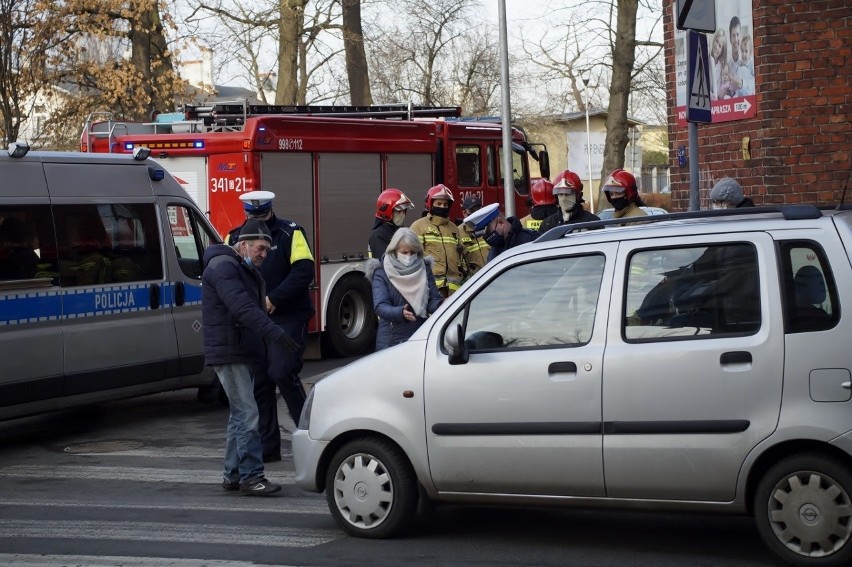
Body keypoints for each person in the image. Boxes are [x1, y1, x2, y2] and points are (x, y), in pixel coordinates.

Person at [202, 218, 298, 496]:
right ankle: (251, 476)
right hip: (230, 351)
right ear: (243, 245)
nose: (264, 255)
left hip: (238, 349)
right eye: (260, 249)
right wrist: (275, 334)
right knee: (248, 414)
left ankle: (233, 474)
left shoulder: (239, 267)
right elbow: (242, 308)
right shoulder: (224, 267)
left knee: (239, 415)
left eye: (267, 250)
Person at [227, 190, 315, 463]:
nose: (258, 223)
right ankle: (268, 448)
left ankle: (310, 434)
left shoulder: (291, 232)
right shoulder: (234, 236)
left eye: (262, 216)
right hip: (255, 320)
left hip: (287, 315)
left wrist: (274, 298)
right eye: (253, 217)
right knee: (260, 383)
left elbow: (304, 270)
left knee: (281, 371)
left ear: (270, 211)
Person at [365, 228, 443, 350]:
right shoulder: (381, 272)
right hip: (392, 339)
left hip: (420, 336)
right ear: (394, 250)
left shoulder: (424, 268)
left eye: (413, 252)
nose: (409, 256)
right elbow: (380, 306)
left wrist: (441, 304)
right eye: (404, 252)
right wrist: (400, 312)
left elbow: (432, 300)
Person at [409, 184, 465, 297]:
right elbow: (412, 257)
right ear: (430, 203)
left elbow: (460, 258)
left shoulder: (454, 228)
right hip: (431, 289)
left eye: (445, 204)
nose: (442, 207)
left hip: (454, 291)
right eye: (438, 203)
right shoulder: (418, 226)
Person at [464, 202, 537, 261]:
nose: (486, 237)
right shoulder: (493, 252)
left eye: (488, 231)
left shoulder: (531, 241)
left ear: (501, 222)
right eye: (482, 234)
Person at [538, 170, 600, 234]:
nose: (564, 198)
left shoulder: (592, 222)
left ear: (578, 195)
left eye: (567, 194)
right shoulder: (548, 224)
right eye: (560, 194)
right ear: (556, 197)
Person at [368, 188, 413, 259]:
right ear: (386, 212)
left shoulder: (401, 231)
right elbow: (386, 262)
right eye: (399, 211)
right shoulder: (378, 235)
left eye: (404, 211)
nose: (402, 215)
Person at [457, 196, 490, 278]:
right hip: (474, 280)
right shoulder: (458, 232)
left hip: (493, 275)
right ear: (464, 213)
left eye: (478, 209)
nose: (476, 213)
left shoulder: (489, 227)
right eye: (472, 211)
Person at [709, 28, 736, 100]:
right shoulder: (706, 60)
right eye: (716, 41)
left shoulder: (722, 66)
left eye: (720, 46)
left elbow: (725, 86)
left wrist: (725, 92)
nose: (716, 46)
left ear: (722, 51)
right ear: (713, 40)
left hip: (718, 103)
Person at [726, 16, 745, 95]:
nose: (736, 39)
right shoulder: (727, 66)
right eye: (733, 35)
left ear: (741, 36)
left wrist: (742, 84)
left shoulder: (749, 61)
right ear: (730, 39)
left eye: (737, 34)